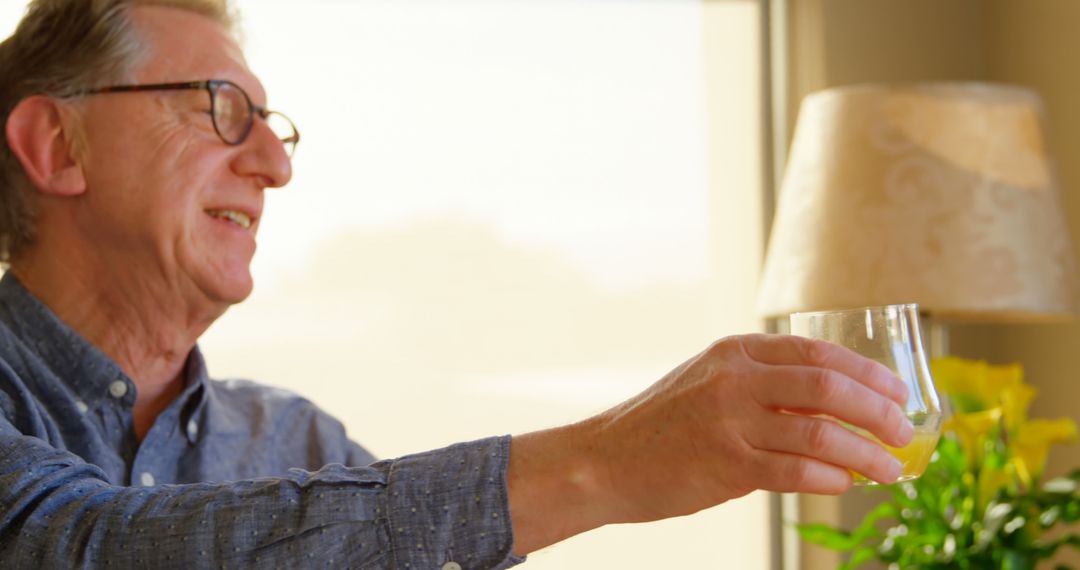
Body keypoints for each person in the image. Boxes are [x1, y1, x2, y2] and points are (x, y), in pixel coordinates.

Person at [0, 0, 914, 567]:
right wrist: (606, 461)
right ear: (56, 145)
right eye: (220, 110)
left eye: (274, 126)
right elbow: (84, 547)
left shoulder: (298, 439)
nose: (275, 163)